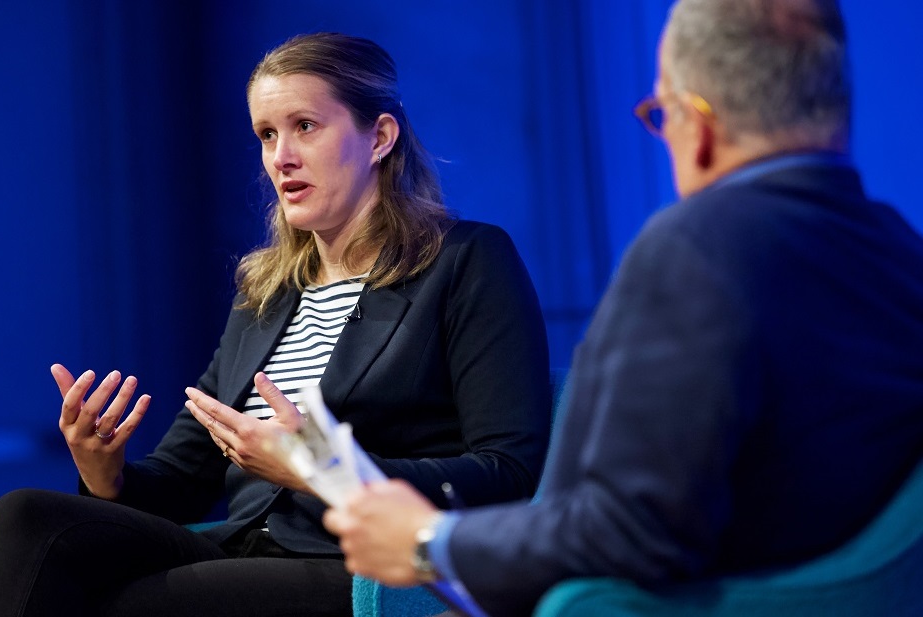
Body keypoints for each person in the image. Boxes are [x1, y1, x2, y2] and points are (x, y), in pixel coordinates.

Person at [322, 1, 923, 615]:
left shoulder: (697, 247)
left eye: (661, 116)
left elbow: (627, 532)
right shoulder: (904, 254)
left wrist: (429, 541)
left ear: (700, 125)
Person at [0, 33, 551, 617]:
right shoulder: (266, 292)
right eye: (266, 134)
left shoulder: (464, 260)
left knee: (110, 602)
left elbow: (510, 472)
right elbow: (182, 482)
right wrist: (106, 474)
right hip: (242, 549)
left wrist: (322, 471)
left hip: (354, 564)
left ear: (379, 137)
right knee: (28, 516)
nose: (280, 157)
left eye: (305, 127)